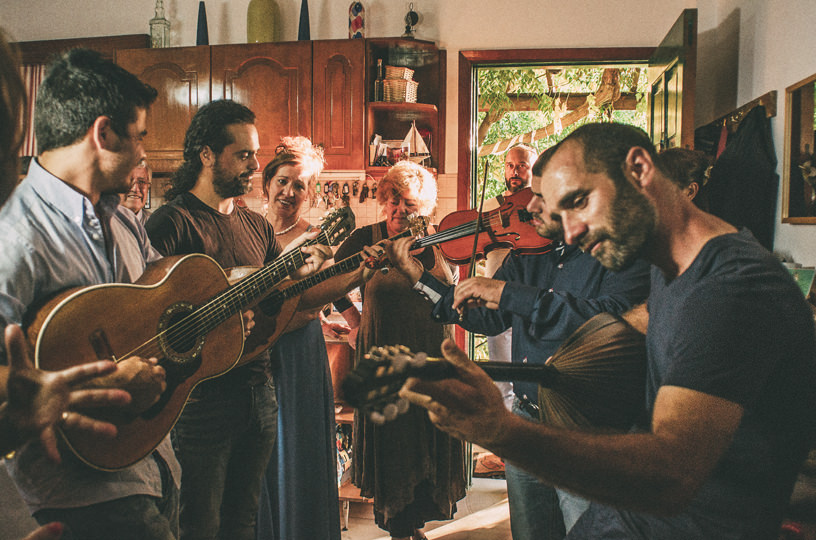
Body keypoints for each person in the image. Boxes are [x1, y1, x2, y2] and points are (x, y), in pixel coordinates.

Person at [393, 122, 816, 540]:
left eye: (579, 202)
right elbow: (619, 346)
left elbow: (670, 475)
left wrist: (499, 429)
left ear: (638, 169)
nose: (571, 231)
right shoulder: (673, 273)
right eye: (558, 213)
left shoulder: (729, 287)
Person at [386, 145, 650, 538]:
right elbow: (486, 318)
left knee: (591, 530)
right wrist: (420, 279)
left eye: (541, 197)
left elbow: (603, 323)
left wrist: (508, 293)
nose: (529, 207)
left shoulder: (619, 252)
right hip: (526, 419)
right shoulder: (529, 254)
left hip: (586, 426)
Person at [0, 47, 180, 539]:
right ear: (103, 134)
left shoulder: (125, 220)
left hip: (154, 465)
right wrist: (85, 386)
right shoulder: (15, 235)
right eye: (139, 135)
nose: (145, 152)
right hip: (77, 497)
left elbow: (156, 311)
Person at [145, 100, 330, 540]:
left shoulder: (255, 227)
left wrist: (299, 272)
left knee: (243, 525)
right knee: (199, 527)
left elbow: (271, 302)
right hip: (200, 404)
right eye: (244, 154)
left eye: (255, 153)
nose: (255, 164)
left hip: (258, 395)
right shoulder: (171, 223)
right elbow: (148, 321)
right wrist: (212, 327)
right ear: (207, 154)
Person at [332, 160, 467, 540]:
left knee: (428, 433)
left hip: (431, 357)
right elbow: (332, 280)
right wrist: (355, 322)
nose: (398, 210)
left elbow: (454, 295)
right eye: (392, 200)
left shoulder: (440, 240)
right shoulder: (365, 237)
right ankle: (399, 529)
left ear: (424, 208)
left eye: (408, 203)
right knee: (393, 440)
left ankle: (414, 526)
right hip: (383, 359)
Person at [255, 136, 341, 540]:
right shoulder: (247, 229)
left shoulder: (318, 238)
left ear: (310, 193)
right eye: (283, 181)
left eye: (300, 185)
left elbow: (321, 297)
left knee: (296, 444)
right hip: (251, 349)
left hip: (298, 351)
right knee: (257, 445)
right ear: (267, 182)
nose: (289, 192)